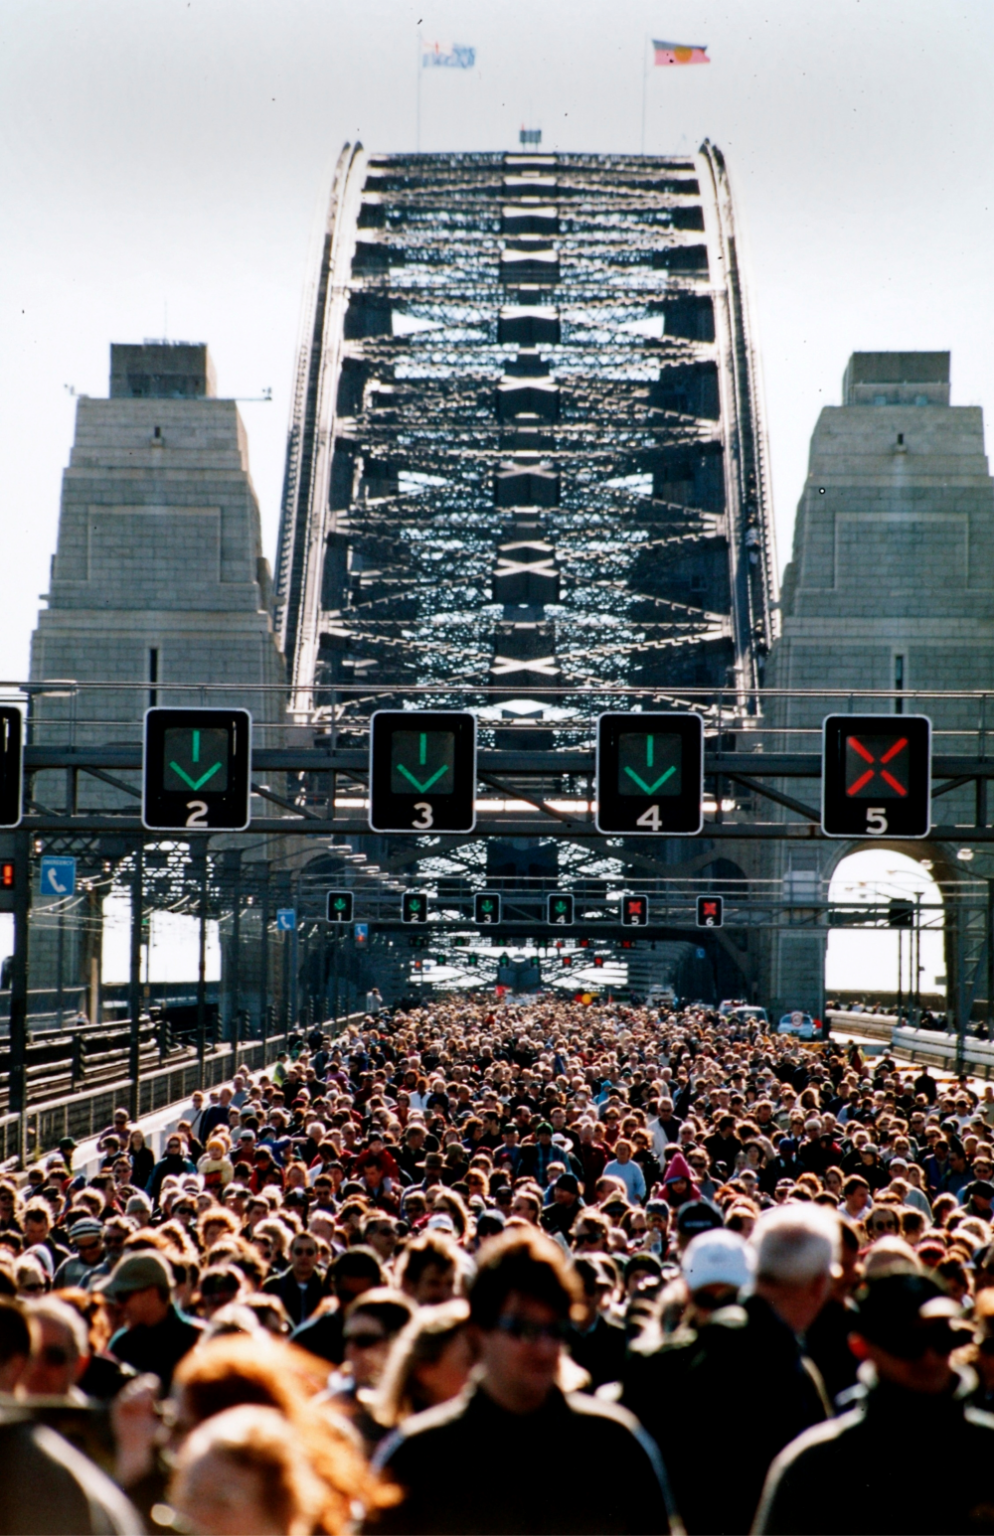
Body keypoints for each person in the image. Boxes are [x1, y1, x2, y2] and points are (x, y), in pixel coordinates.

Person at [375, 1229, 674, 1534]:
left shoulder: (613, 1446)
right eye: (523, 1330)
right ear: (478, 1332)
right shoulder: (419, 1457)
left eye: (554, 1330)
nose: (544, 1348)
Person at [622, 1205, 834, 1533]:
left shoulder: (653, 1365)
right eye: (706, 1299)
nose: (717, 1309)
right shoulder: (791, 1374)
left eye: (726, 1298)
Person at [754, 1271, 994, 1535]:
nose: (929, 1357)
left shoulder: (987, 1451)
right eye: (906, 1340)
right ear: (861, 1346)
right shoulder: (817, 1467)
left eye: (940, 1337)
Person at [98, 1250, 203, 1391]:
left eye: (123, 1296)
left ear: (151, 1294)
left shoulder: (199, 1340)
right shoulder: (122, 1345)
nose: (118, 1305)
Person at [262, 1231, 325, 1326]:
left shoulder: (326, 1286)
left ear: (318, 1257)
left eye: (309, 1252)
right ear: (290, 1255)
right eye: (298, 1252)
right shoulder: (273, 1286)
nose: (304, 1257)